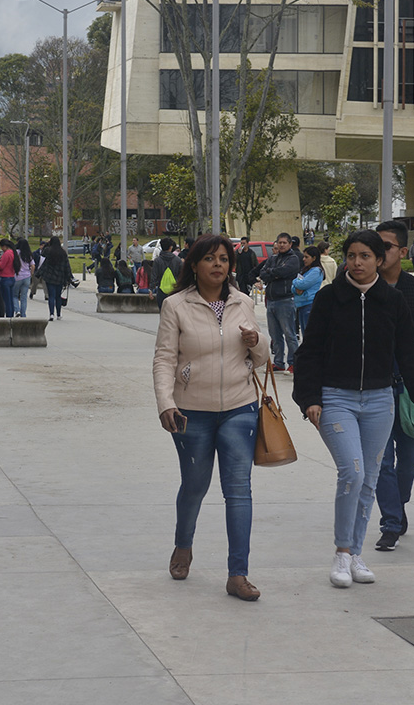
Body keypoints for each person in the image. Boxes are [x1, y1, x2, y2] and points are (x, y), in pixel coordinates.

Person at [293, 230, 414, 588]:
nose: (357, 263)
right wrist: (309, 398)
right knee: (352, 473)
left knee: (370, 480)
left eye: (365, 256)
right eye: (352, 256)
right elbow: (309, 352)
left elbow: (409, 356)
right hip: (336, 398)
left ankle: (356, 554)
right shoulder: (329, 299)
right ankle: (342, 552)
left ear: (379, 259)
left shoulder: (393, 301)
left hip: (379, 400)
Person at [153, 234, 270, 601]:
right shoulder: (175, 305)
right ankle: (183, 545)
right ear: (194, 264)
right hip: (192, 412)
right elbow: (164, 358)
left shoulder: (243, 301)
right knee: (195, 486)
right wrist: (165, 402)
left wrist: (256, 341)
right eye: (209, 259)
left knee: (238, 491)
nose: (218, 264)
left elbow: (264, 357)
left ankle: (238, 574)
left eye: (223, 258)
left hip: (240, 408)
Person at [371, 220, 414, 551]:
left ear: (402, 250)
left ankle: (398, 504)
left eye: (384, 246)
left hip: (412, 387)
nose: (378, 253)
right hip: (375, 387)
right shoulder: (359, 288)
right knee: (382, 460)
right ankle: (391, 522)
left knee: (411, 458)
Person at [256, 232, 302, 372]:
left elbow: (285, 272)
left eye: (284, 243)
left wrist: (272, 273)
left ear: (290, 244)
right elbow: (263, 274)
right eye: (279, 242)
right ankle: (278, 363)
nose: (281, 245)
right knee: (275, 335)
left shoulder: (293, 259)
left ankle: (294, 363)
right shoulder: (273, 258)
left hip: (285, 300)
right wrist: (273, 273)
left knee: (289, 334)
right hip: (271, 301)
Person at [36, 237, 72, 320]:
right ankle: (59, 314)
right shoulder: (63, 252)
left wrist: (47, 244)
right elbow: (67, 265)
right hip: (60, 277)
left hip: (50, 276)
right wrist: (69, 277)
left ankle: (51, 314)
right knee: (58, 296)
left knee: (51, 296)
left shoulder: (48, 251)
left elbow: (43, 260)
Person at [292, 247, 324, 338]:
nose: (304, 259)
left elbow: (303, 284)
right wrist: (296, 286)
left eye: (306, 257)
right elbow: (294, 288)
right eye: (304, 257)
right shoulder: (306, 270)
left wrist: (295, 282)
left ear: (314, 258)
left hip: (309, 305)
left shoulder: (316, 271)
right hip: (301, 305)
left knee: (309, 335)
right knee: (304, 333)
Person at [151, 238, 182, 310]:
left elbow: (154, 275)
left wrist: (151, 289)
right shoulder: (178, 260)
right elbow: (182, 275)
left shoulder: (157, 261)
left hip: (161, 290)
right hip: (174, 290)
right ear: (171, 247)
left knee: (163, 312)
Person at [0, 238, 18, 318]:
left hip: (5, 278)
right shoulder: (13, 252)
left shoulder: (7, 253)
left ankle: (8, 315)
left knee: (6, 300)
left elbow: (1, 266)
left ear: (4, 246)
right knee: (10, 299)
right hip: (11, 277)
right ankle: (11, 314)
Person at [13, 239, 35, 317]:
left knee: (14, 295)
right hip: (27, 277)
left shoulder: (16, 252)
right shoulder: (28, 254)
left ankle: (17, 310)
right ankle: (23, 314)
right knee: (24, 297)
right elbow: (32, 266)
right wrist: (30, 274)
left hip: (17, 276)